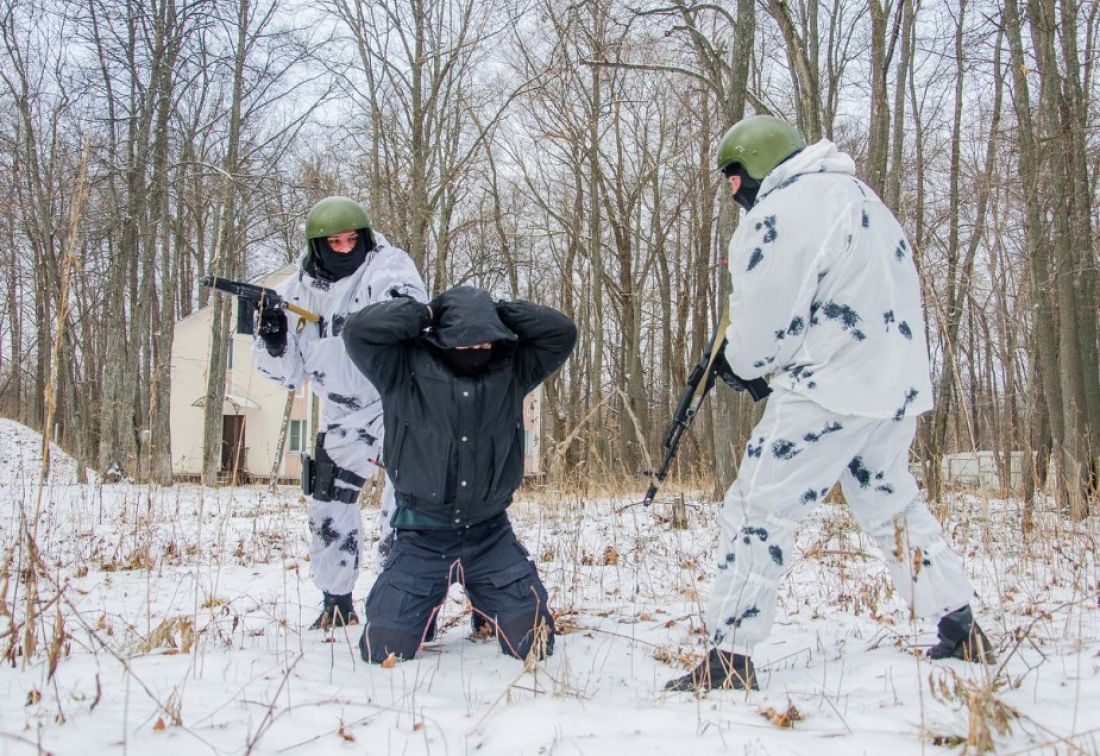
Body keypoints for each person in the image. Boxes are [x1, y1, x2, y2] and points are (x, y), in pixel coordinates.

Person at [666, 116, 994, 692]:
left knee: (756, 509)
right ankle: (959, 623)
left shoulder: (783, 212)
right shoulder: (862, 198)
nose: (734, 192)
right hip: (893, 389)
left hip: (827, 392)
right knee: (889, 501)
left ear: (755, 165)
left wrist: (739, 364)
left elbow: (764, 328)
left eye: (734, 177)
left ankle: (730, 657)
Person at [342, 286, 576, 663]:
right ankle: (424, 609)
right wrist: (427, 313)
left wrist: (496, 312)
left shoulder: (512, 368)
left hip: (490, 536)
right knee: (382, 649)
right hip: (422, 536)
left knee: (535, 643)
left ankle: (487, 603)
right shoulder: (401, 368)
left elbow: (561, 331)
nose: (477, 353)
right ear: (443, 341)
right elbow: (358, 331)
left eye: (484, 345)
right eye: (465, 345)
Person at [252, 196, 427, 630]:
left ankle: (405, 599)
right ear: (318, 246)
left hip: (397, 402)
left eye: (353, 240)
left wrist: (369, 323)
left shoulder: (386, 265)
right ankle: (336, 599)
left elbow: (408, 308)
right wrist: (275, 340)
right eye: (336, 242)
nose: (346, 249)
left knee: (406, 507)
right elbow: (287, 376)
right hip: (340, 414)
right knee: (327, 503)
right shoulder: (293, 294)